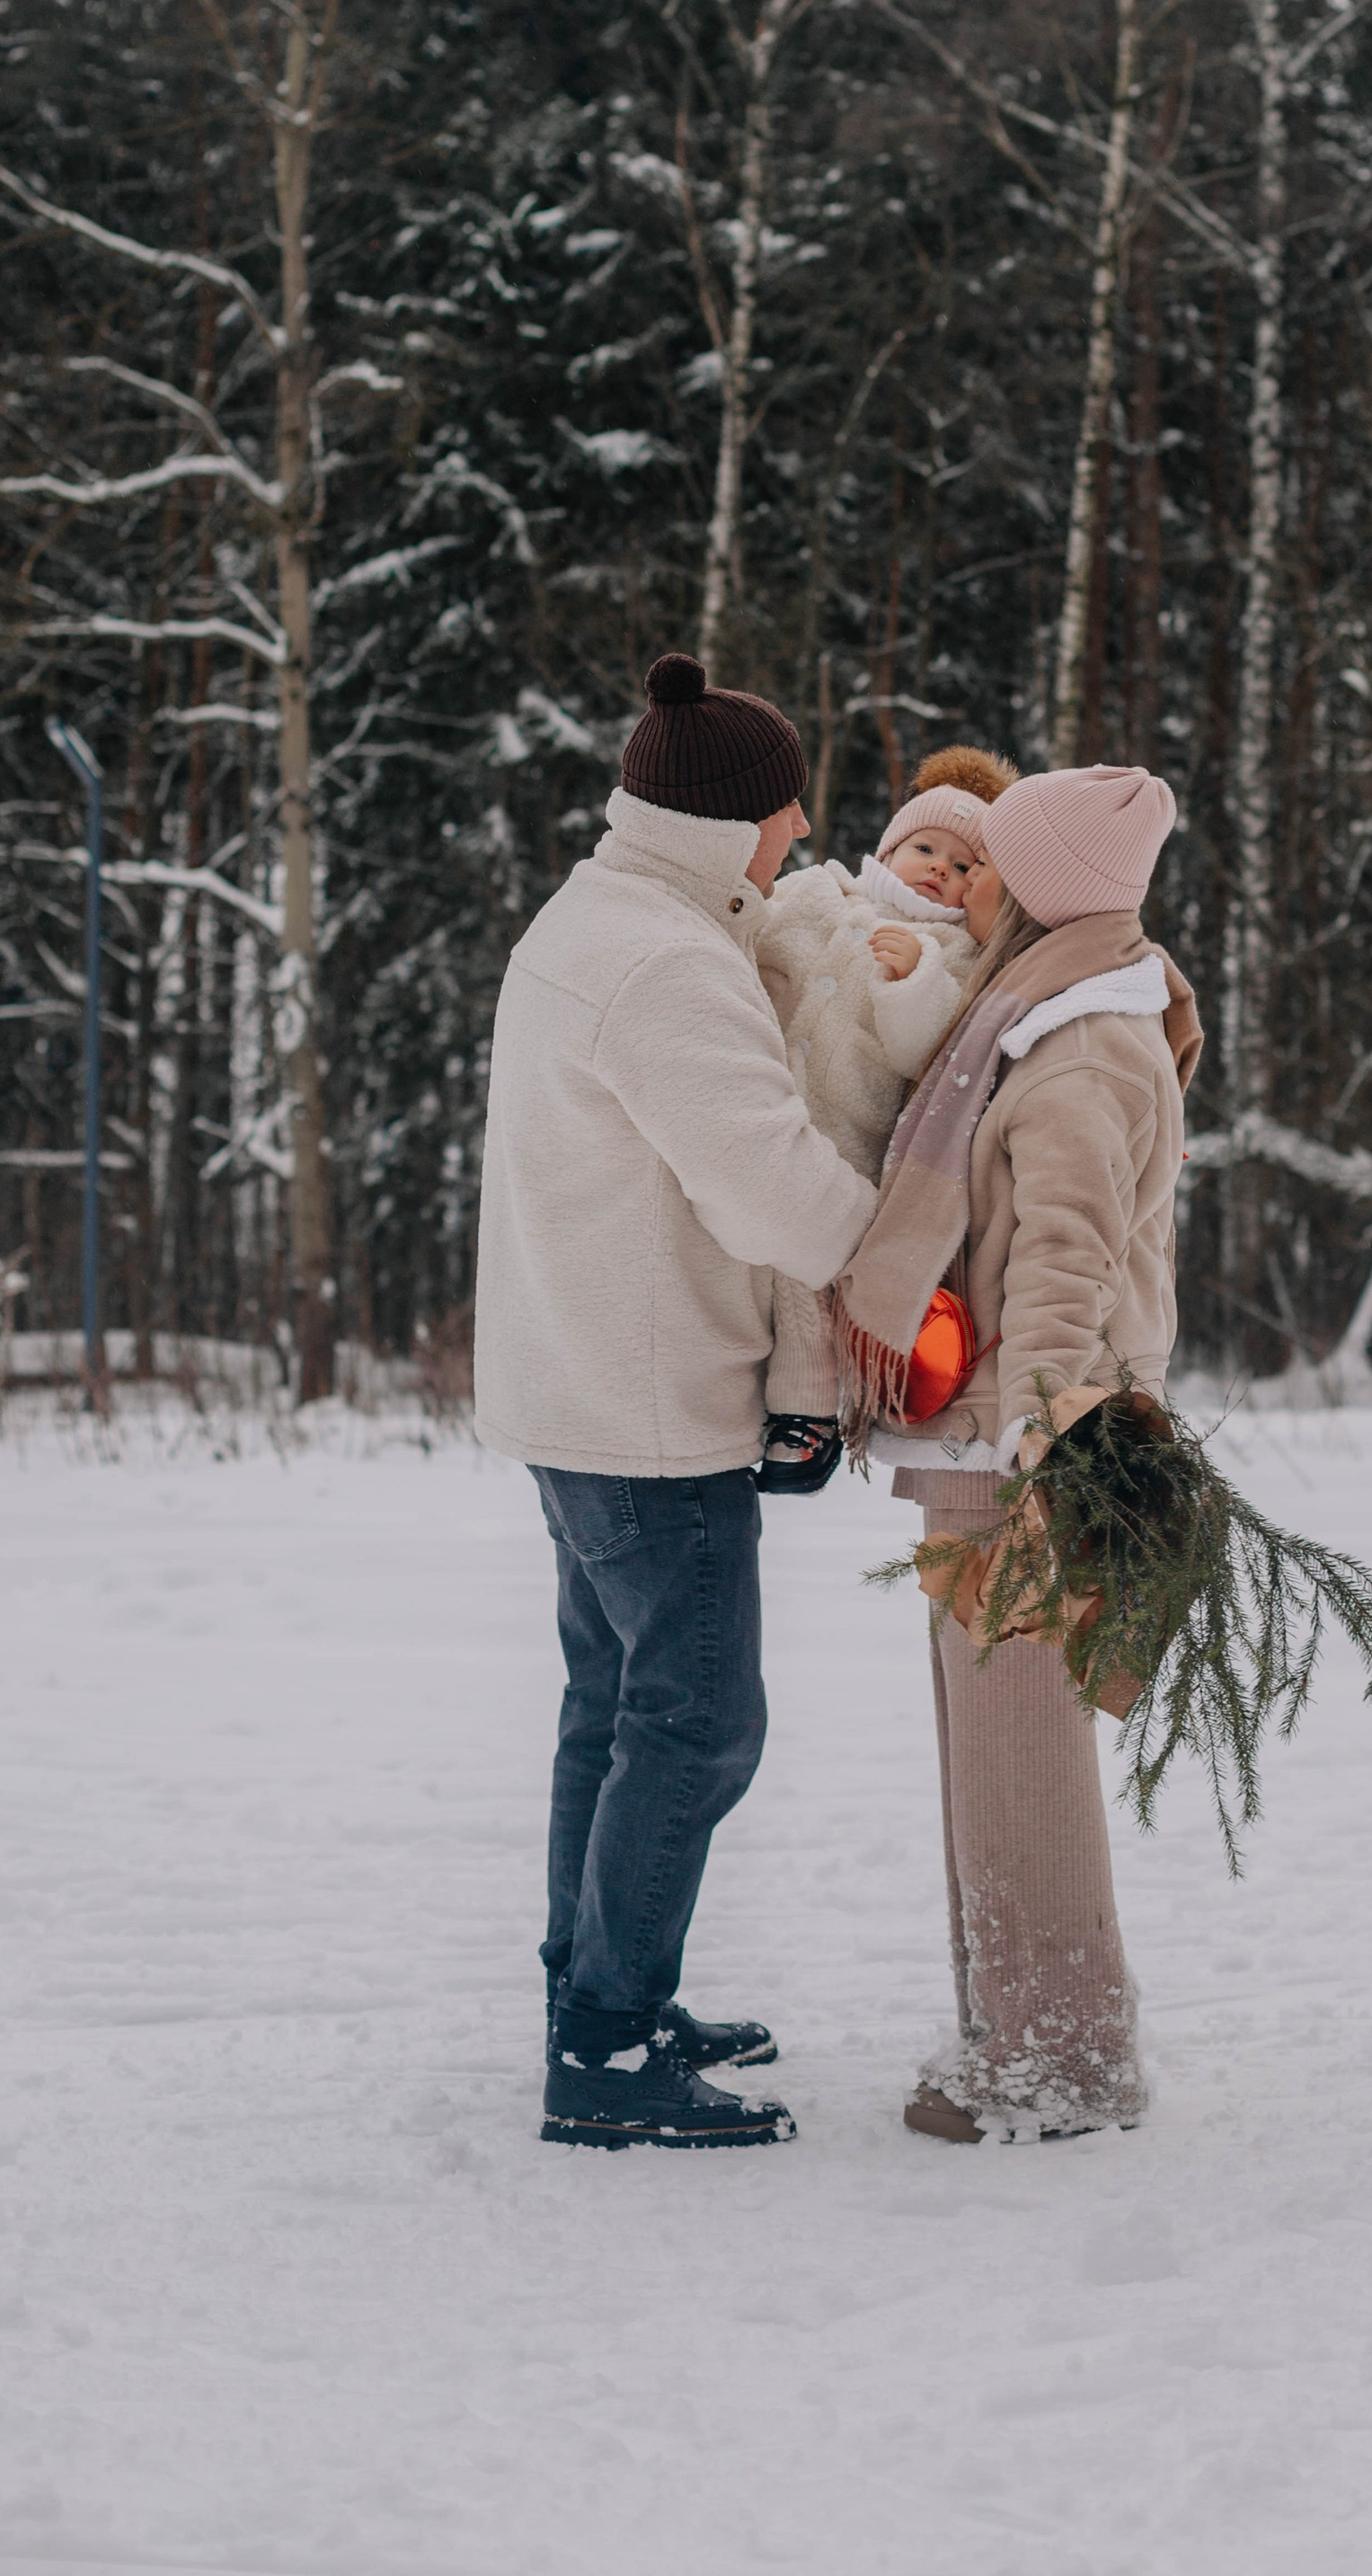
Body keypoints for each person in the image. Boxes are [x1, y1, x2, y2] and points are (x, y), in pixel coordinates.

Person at [472, 651, 879, 2150]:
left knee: (615, 1712)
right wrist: (914, 1265)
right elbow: (773, 1191)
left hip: (575, 1385)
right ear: (735, 822)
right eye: (790, 815)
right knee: (697, 1723)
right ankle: (607, 2053)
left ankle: (604, 2001)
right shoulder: (664, 962)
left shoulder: (598, 919)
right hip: (645, 1408)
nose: (804, 843)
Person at [833, 762, 1201, 2144]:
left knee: (1019, 1758)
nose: (965, 878)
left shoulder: (1081, 1041)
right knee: (984, 1751)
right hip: (993, 1436)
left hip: (1024, 1449)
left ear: (1043, 886)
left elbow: (1066, 1253)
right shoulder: (1045, 1010)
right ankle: (1015, 2025)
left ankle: (1062, 2060)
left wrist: (1048, 1436)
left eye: (991, 862)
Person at [752, 746, 1018, 1473]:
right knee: (735, 1261)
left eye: (966, 866)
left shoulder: (955, 955)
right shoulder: (819, 896)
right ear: (889, 846)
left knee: (808, 1284)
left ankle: (805, 1414)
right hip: (759, 1110)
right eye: (926, 848)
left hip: (842, 1141)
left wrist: (914, 980)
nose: (941, 869)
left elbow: (920, 1055)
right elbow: (750, 938)